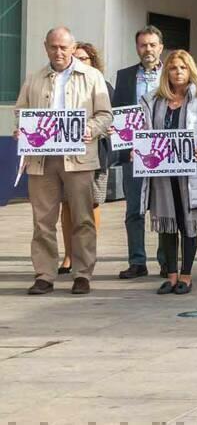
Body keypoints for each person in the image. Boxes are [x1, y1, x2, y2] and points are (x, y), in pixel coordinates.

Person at [16, 27, 112, 295]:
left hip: (79, 158)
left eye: (63, 47)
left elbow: (106, 115)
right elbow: (21, 111)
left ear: (73, 48)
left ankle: (82, 274)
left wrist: (90, 129)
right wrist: (22, 129)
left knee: (83, 218)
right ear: (45, 47)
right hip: (41, 159)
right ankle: (44, 274)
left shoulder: (92, 77)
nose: (58, 52)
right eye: (53, 47)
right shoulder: (34, 78)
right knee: (42, 220)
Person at [137, 50, 197, 295]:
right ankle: (171, 276)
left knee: (188, 224)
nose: (178, 72)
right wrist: (138, 149)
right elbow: (145, 133)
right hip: (163, 175)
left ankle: (186, 275)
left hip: (193, 173)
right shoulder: (154, 101)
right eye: (173, 68)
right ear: (167, 73)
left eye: (183, 68)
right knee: (167, 225)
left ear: (191, 70)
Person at [113, 25, 166, 280]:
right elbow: (118, 115)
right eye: (143, 45)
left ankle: (167, 262)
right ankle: (137, 262)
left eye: (152, 45)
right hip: (133, 155)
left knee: (164, 209)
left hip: (166, 154)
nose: (148, 49)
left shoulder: (174, 73)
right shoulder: (123, 76)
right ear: (137, 48)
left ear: (161, 47)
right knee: (134, 210)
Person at [58, 42, 114, 275]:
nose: (80, 62)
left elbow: (114, 116)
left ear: (93, 61)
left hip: (96, 155)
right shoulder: (62, 83)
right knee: (67, 205)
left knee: (91, 205)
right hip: (65, 156)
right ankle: (69, 255)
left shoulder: (104, 85)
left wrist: (107, 128)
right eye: (76, 57)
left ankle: (87, 253)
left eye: (85, 58)